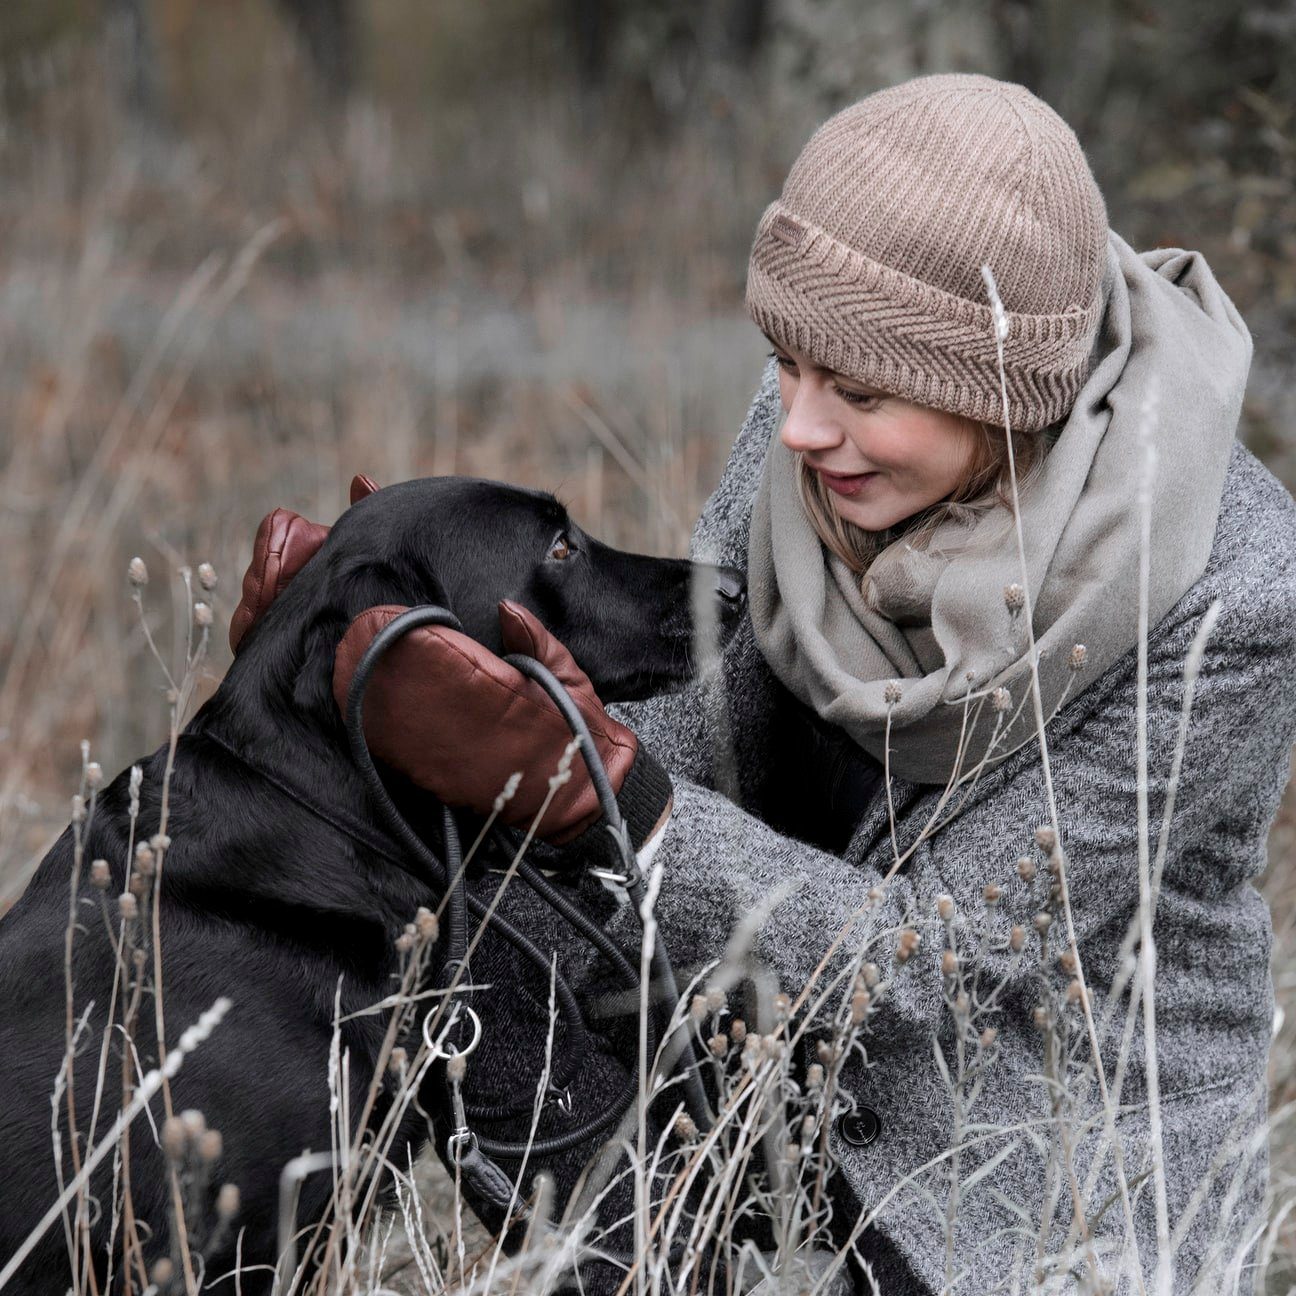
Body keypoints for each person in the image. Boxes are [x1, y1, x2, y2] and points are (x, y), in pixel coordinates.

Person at [247, 74, 1296, 1292]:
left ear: (1000, 395)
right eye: (784, 364)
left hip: (1014, 1187)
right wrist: (377, 685)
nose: (798, 426)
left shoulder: (1233, 594)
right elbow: (690, 740)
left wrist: (609, 800)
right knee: (444, 910)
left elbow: (940, 973)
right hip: (747, 1047)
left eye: (856, 392)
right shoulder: (821, 419)